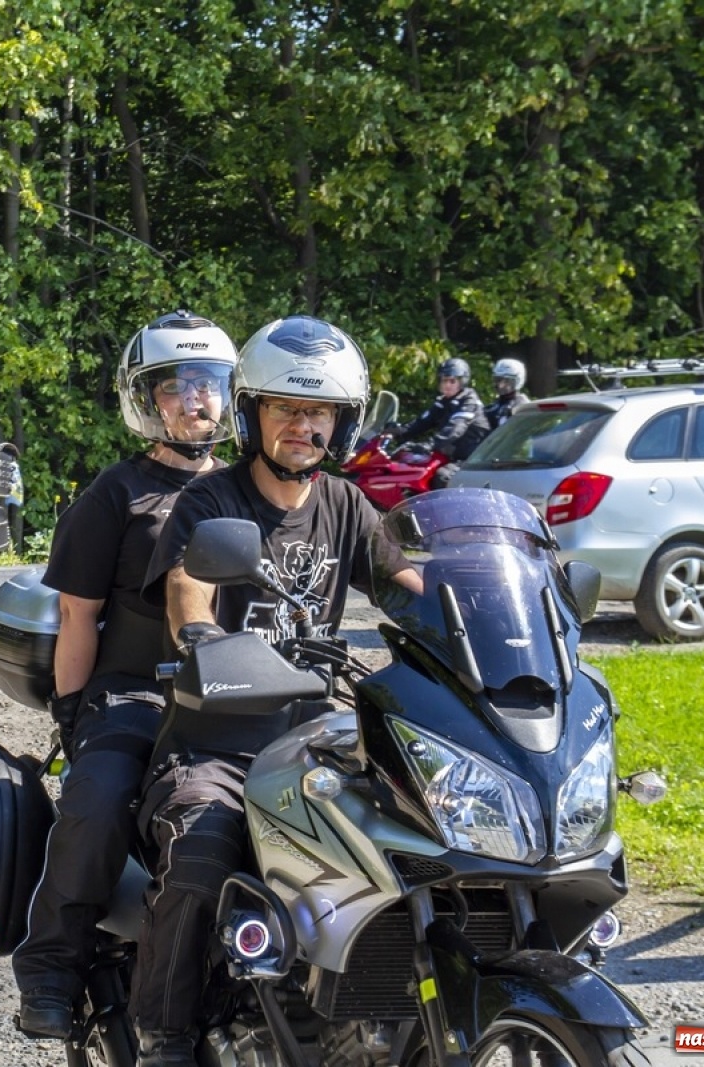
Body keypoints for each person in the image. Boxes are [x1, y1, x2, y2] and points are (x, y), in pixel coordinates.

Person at [129, 315, 420, 1066]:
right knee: (202, 845)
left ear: (341, 422)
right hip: (214, 737)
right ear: (253, 413)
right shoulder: (210, 504)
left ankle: (375, 1014)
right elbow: (187, 587)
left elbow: (408, 582)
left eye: (318, 411)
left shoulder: (347, 506)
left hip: (312, 739)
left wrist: (478, 613)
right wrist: (200, 638)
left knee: (418, 842)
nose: (303, 425)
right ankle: (164, 1032)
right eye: (286, 408)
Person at [11, 311, 239, 1041]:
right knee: (101, 796)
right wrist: (77, 712)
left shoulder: (248, 488)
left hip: (233, 692)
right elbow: (78, 616)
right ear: (146, 400)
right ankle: (52, 964)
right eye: (174, 386)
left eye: (206, 385)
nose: (193, 400)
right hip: (135, 689)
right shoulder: (116, 492)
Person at [392, 356, 491, 488]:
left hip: (473, 460)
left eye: (452, 381)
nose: (447, 385)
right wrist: (397, 431)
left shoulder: (469, 401)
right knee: (410, 466)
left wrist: (429, 444)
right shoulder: (444, 402)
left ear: (462, 382)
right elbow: (422, 422)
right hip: (452, 457)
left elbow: (455, 429)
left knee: (442, 476)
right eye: (444, 381)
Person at [484, 357, 530, 431]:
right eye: (497, 380)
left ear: (516, 381)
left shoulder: (522, 405)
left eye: (506, 381)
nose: (500, 385)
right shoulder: (494, 406)